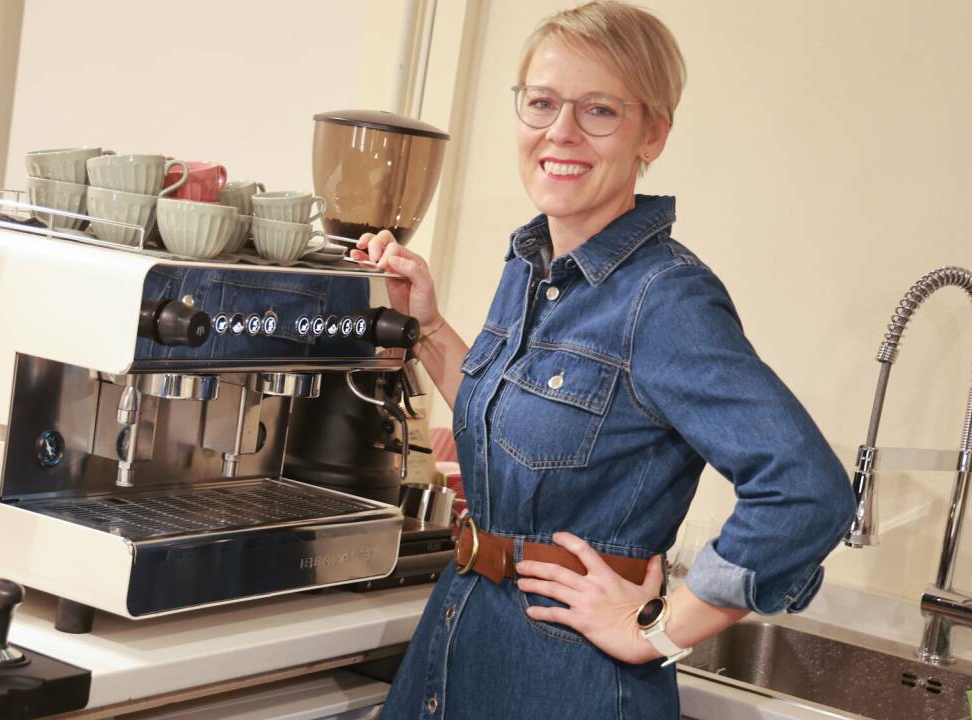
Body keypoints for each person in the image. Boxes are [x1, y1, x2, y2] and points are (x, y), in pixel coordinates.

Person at [358, 2, 856, 717]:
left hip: (570, 686)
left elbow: (807, 492)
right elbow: (513, 428)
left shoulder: (666, 298)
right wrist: (431, 329)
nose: (560, 132)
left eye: (599, 110)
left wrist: (656, 629)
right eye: (542, 103)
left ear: (651, 133)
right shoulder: (533, 263)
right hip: (458, 646)